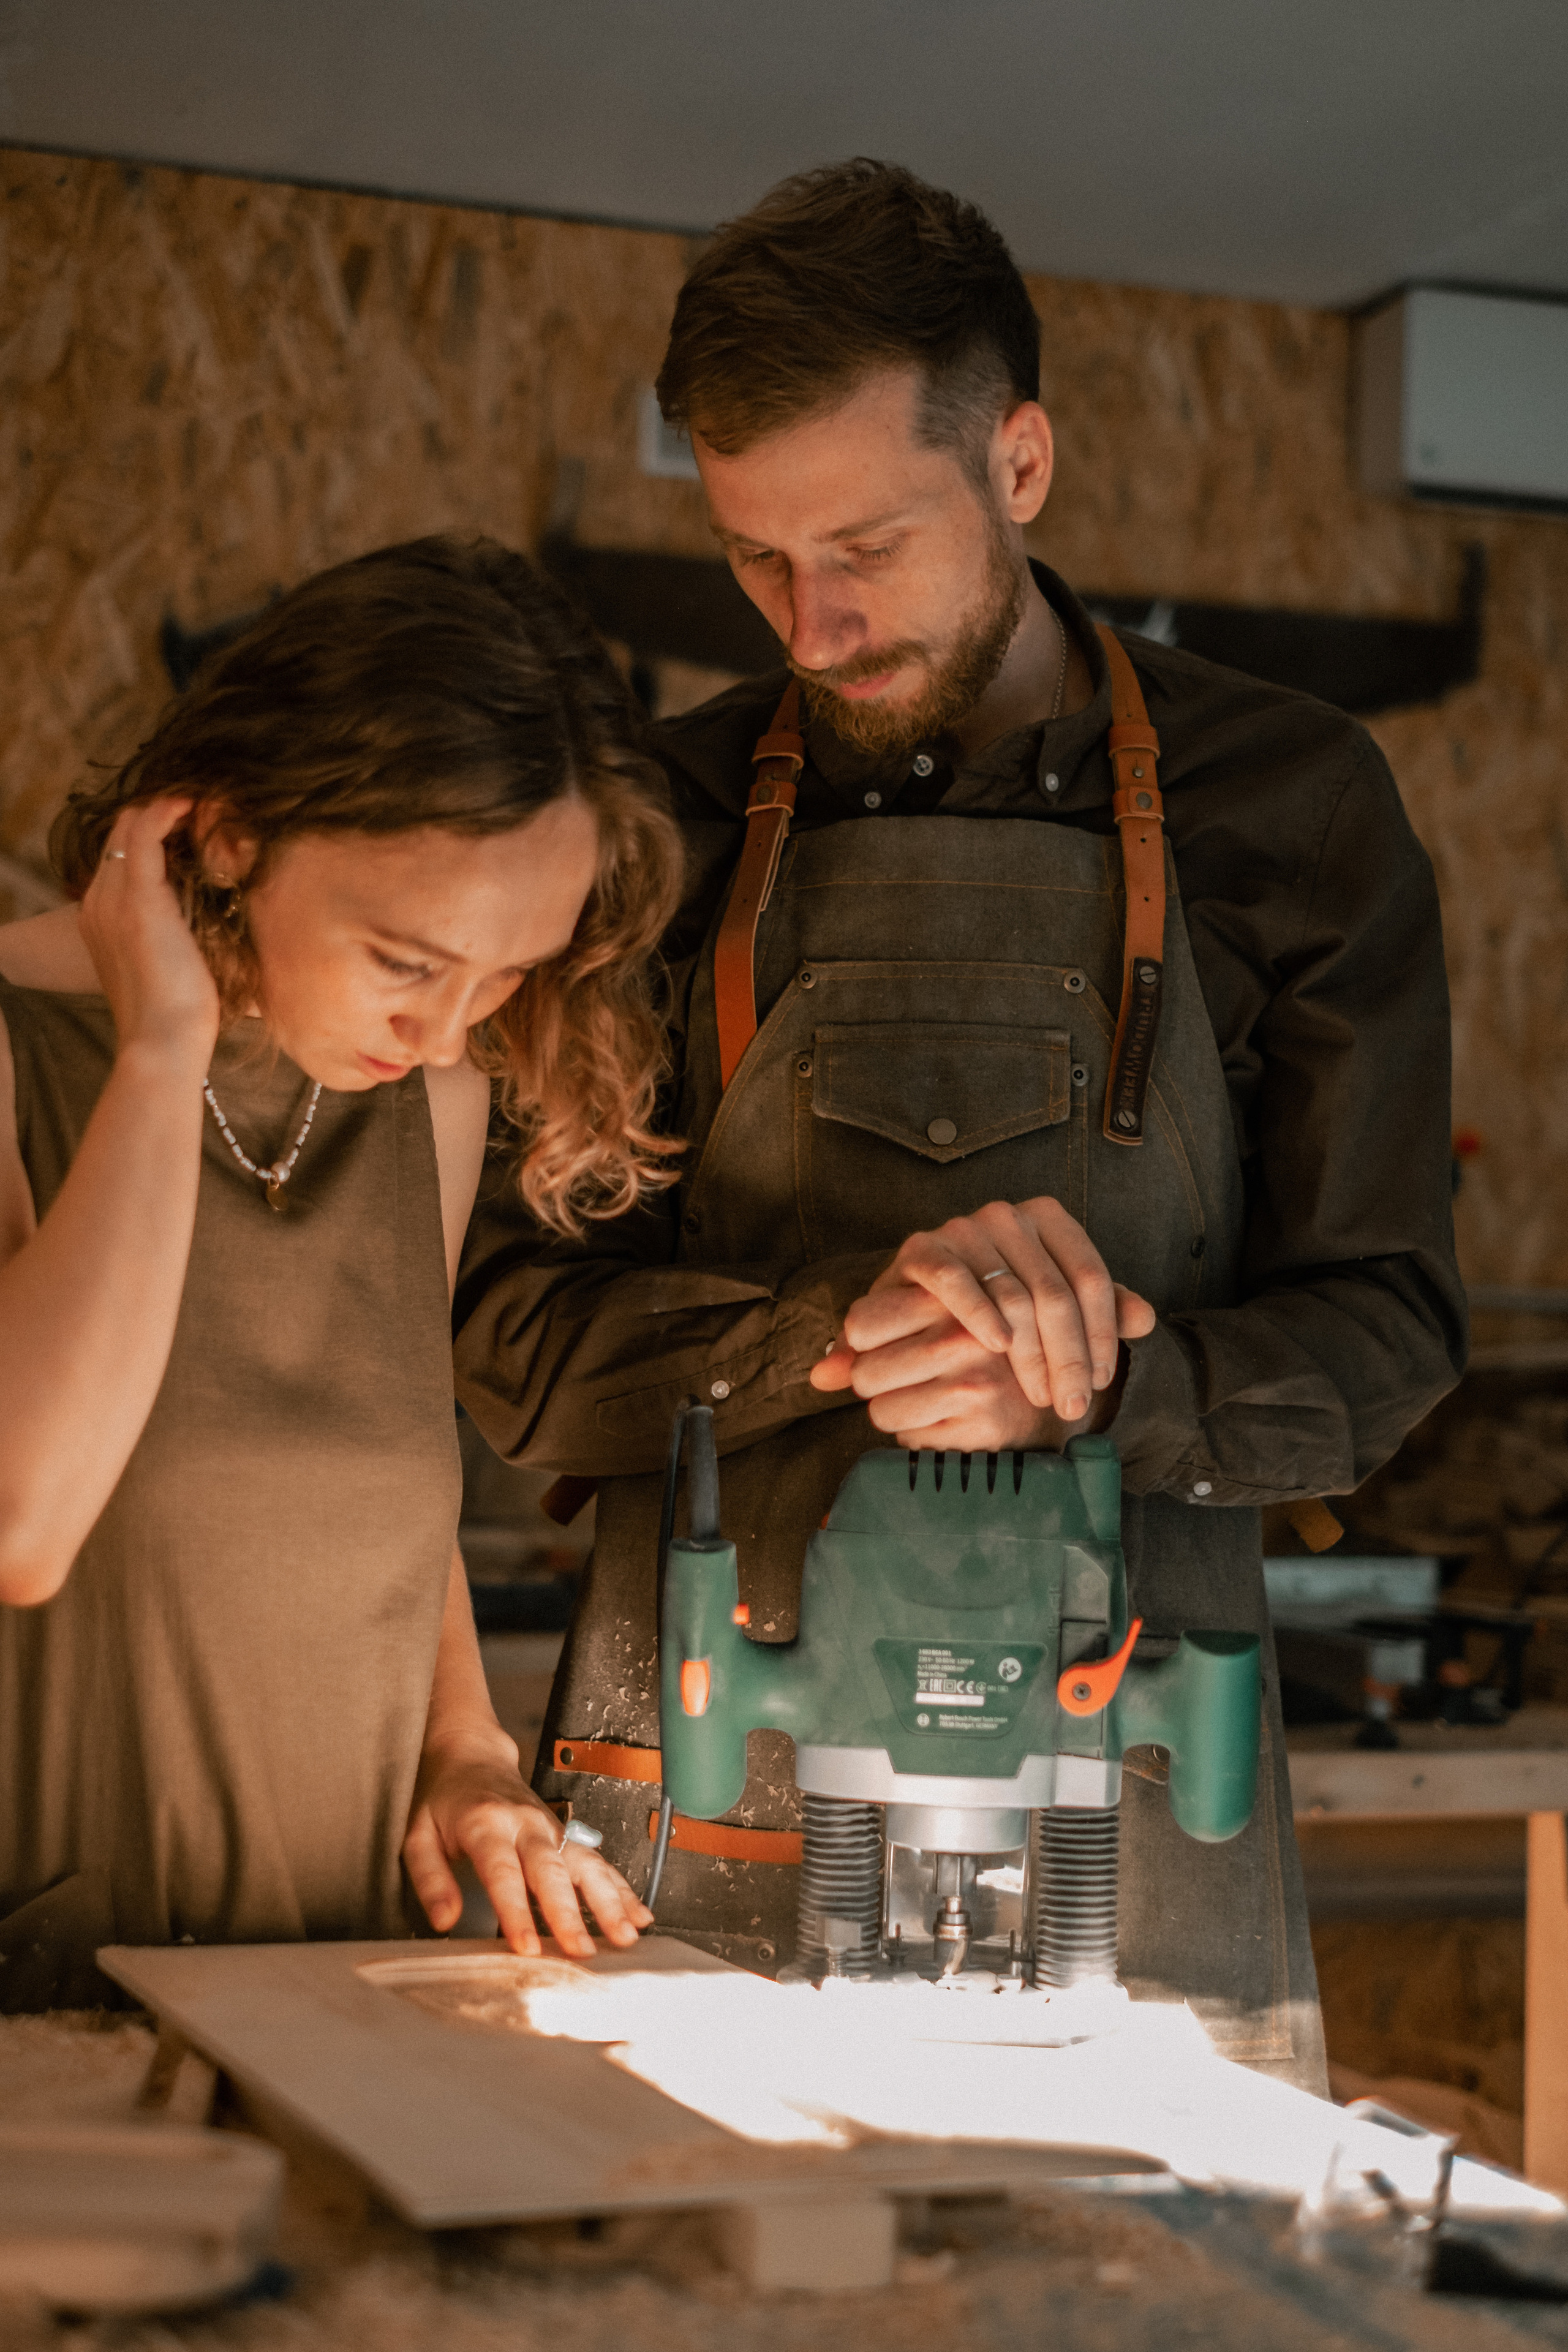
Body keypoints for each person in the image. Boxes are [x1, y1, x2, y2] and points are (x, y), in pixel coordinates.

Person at [452, 164, 1466, 2087]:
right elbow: (510, 1329)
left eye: (868, 544)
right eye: (756, 560)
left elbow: (1392, 1345)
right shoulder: (655, 823)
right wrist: (834, 1334)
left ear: (1020, 460)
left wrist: (1094, 1383)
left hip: (1137, 1754)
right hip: (709, 1740)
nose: (814, 625)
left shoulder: (1299, 806)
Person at [0, 533, 678, 2008]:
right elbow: (24, 1517)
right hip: (52, 2010)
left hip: (343, 1982)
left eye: (504, 977)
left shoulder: (422, 1103)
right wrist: (159, 1049)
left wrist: (467, 1755)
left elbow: (382, 1485)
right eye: (406, 958)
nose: (447, 1034)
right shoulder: (13, 1048)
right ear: (231, 835)